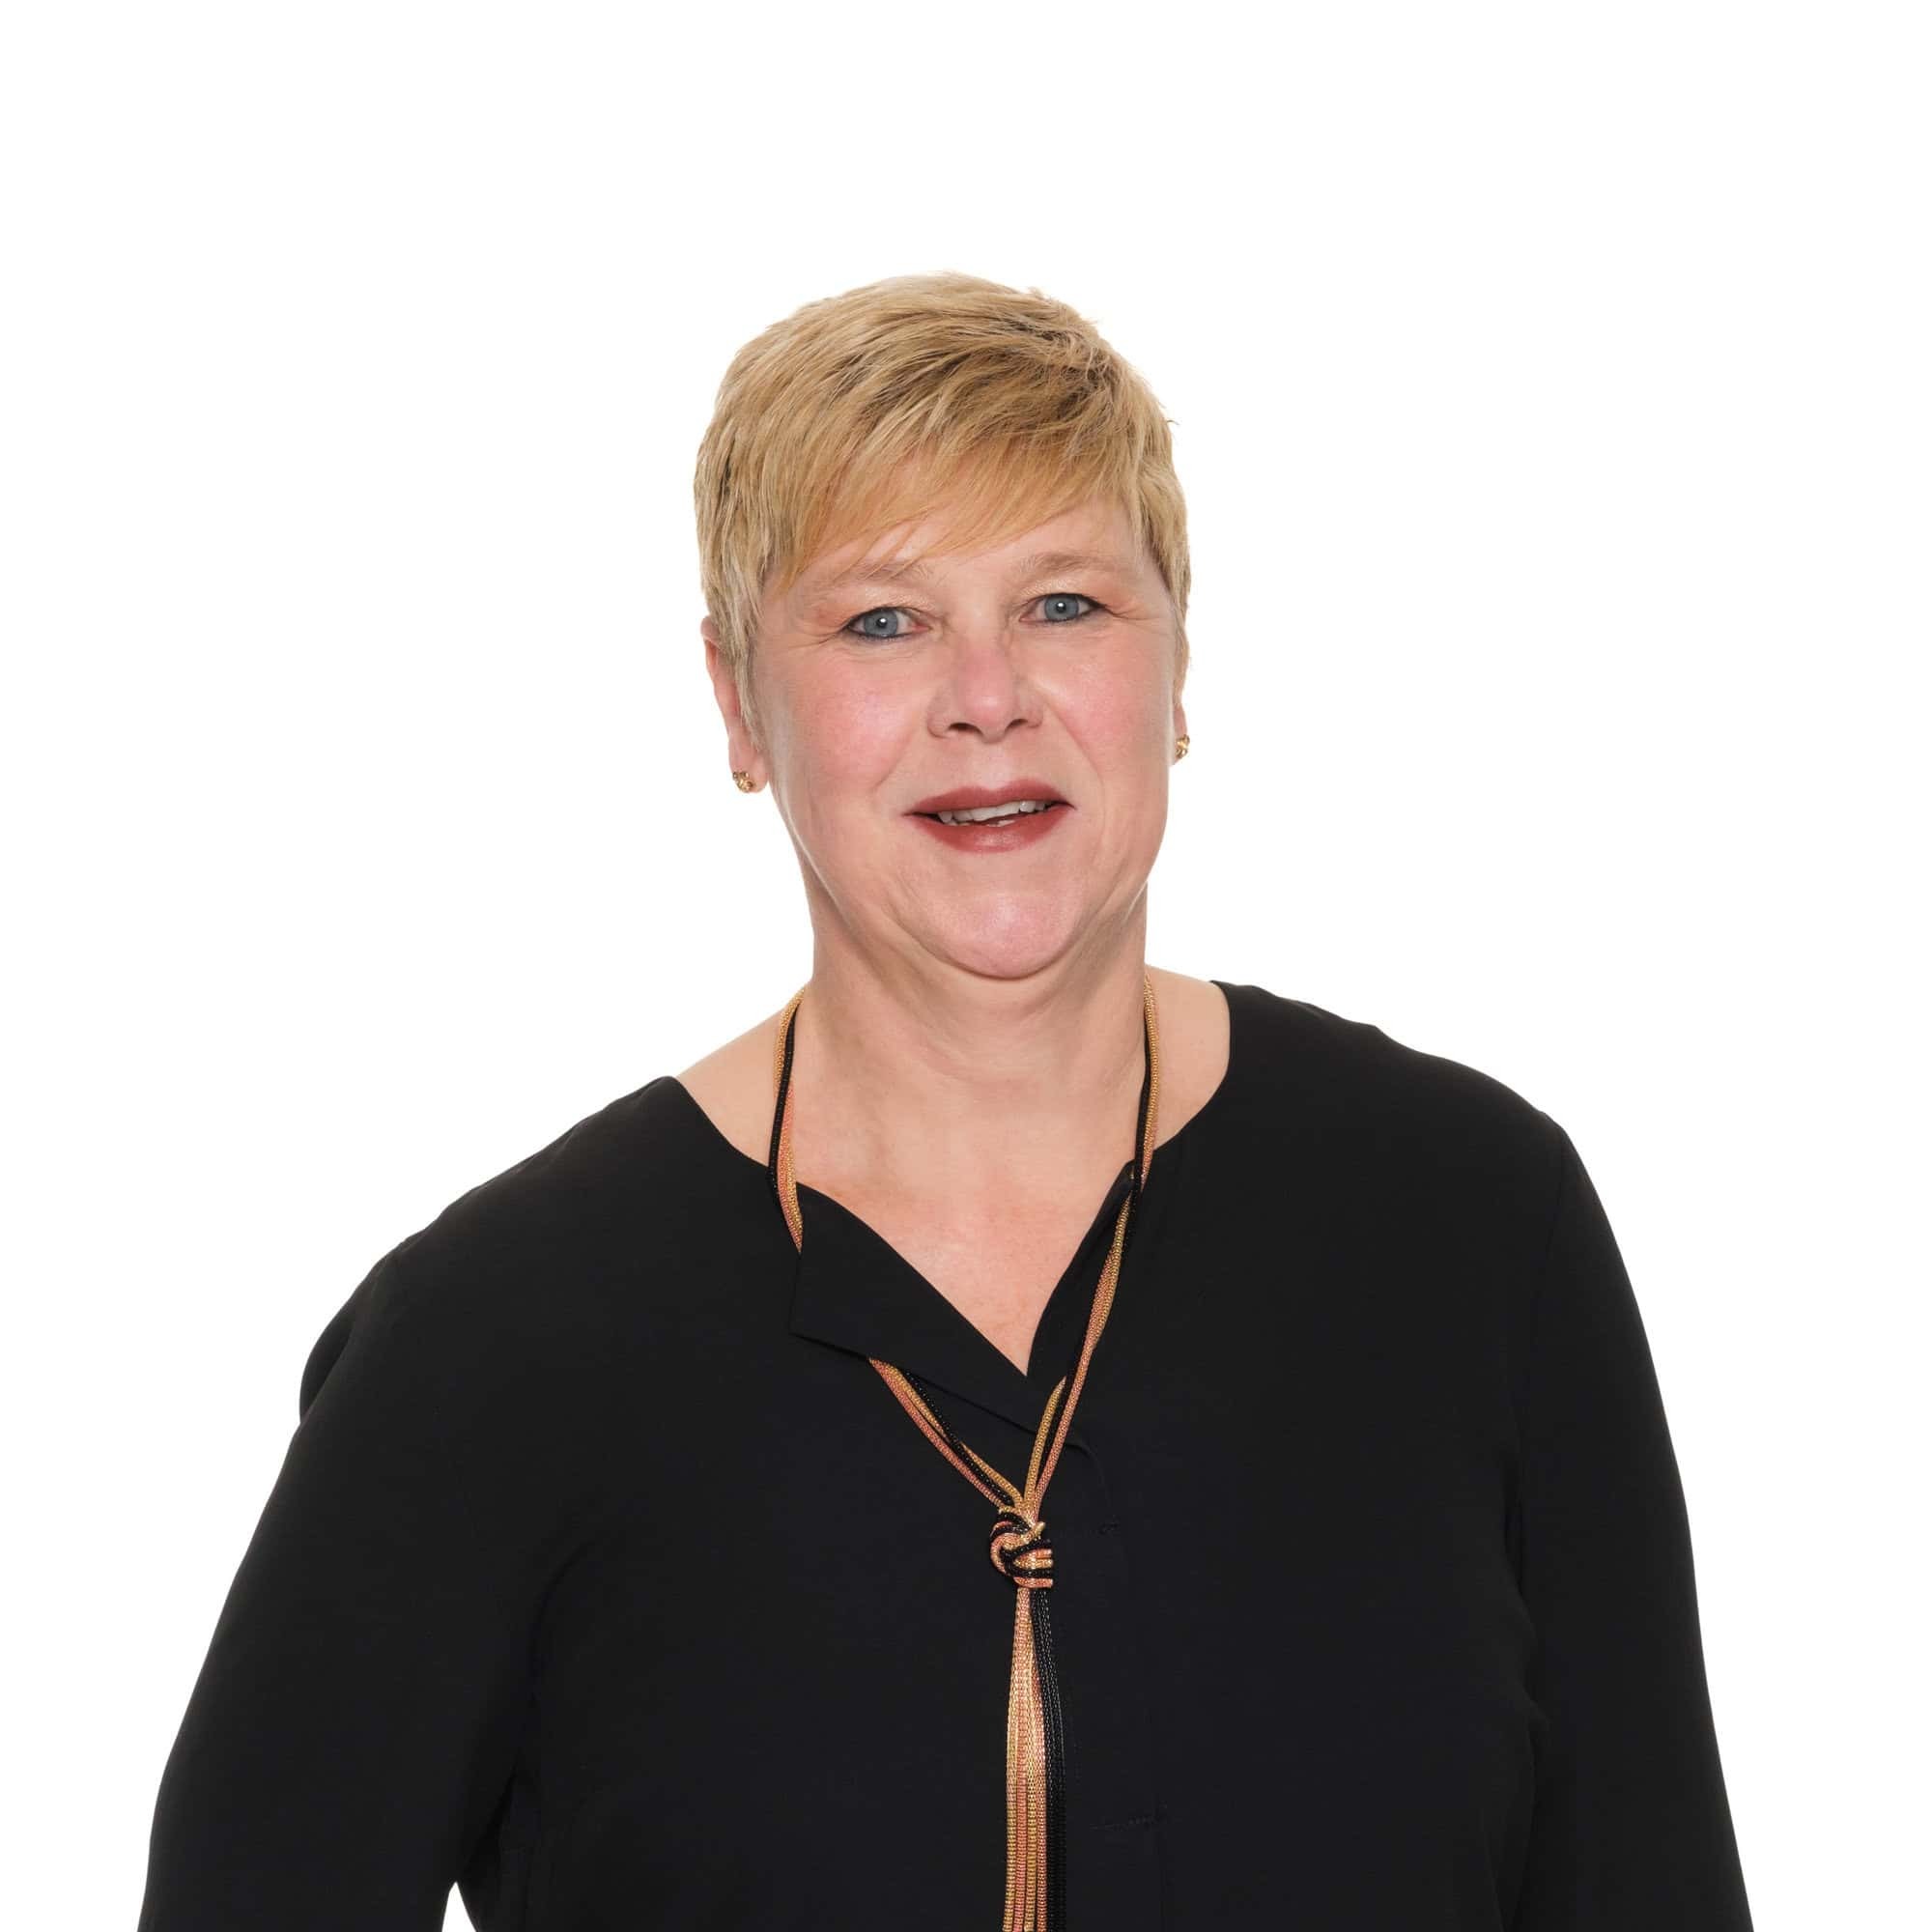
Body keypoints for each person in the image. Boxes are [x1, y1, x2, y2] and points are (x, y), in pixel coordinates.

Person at [135, 271, 1754, 1931]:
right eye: (882, 622)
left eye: (1064, 604)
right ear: (737, 703)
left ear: (1178, 668)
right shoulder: (489, 1341)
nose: (988, 694)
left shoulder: (1470, 1222)